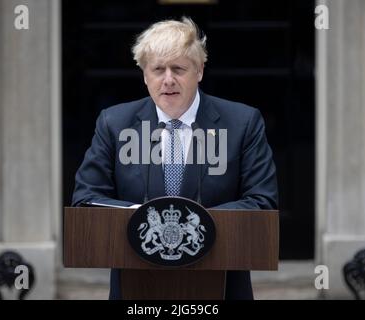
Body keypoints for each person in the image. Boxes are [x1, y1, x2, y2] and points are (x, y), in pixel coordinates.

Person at [72, 17, 278, 300]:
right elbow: (86, 199)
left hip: (221, 289)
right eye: (158, 69)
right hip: (137, 289)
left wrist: (196, 223)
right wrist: (140, 216)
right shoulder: (114, 124)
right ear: (145, 75)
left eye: (178, 68)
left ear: (199, 70)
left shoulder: (242, 123)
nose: (168, 79)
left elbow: (262, 202)